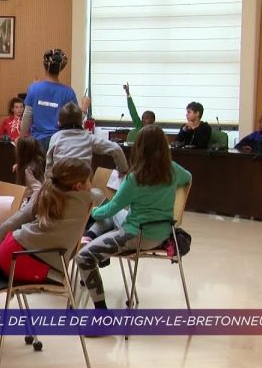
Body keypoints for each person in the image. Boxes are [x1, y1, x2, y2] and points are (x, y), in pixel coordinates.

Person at [76, 125, 192, 309]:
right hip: (163, 232)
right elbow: (188, 177)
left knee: (83, 256)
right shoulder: (173, 170)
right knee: (116, 214)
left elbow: (111, 209)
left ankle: (101, 313)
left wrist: (92, 212)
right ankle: (93, 237)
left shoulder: (135, 178)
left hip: (136, 235)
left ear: (139, 148)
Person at [0, 158, 100, 283]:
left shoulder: (45, 192)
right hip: (23, 261)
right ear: (79, 186)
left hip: (9, 248)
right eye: (90, 181)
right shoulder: (87, 199)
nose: (92, 185)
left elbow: (9, 224)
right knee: (62, 282)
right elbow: (99, 194)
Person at [21, 49, 88, 150]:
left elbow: (27, 117)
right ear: (61, 68)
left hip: (37, 143)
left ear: (44, 66)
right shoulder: (68, 92)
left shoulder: (34, 88)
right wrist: (84, 107)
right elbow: (76, 121)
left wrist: (21, 137)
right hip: (59, 143)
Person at [45, 102, 129, 177]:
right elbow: (116, 148)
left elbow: (49, 165)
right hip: (82, 185)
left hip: (60, 184)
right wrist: (123, 171)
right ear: (81, 122)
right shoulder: (87, 137)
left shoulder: (55, 138)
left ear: (59, 122)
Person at [14, 136, 45, 202]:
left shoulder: (28, 170)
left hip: (29, 200)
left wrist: (30, 205)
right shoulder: (37, 163)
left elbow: (38, 189)